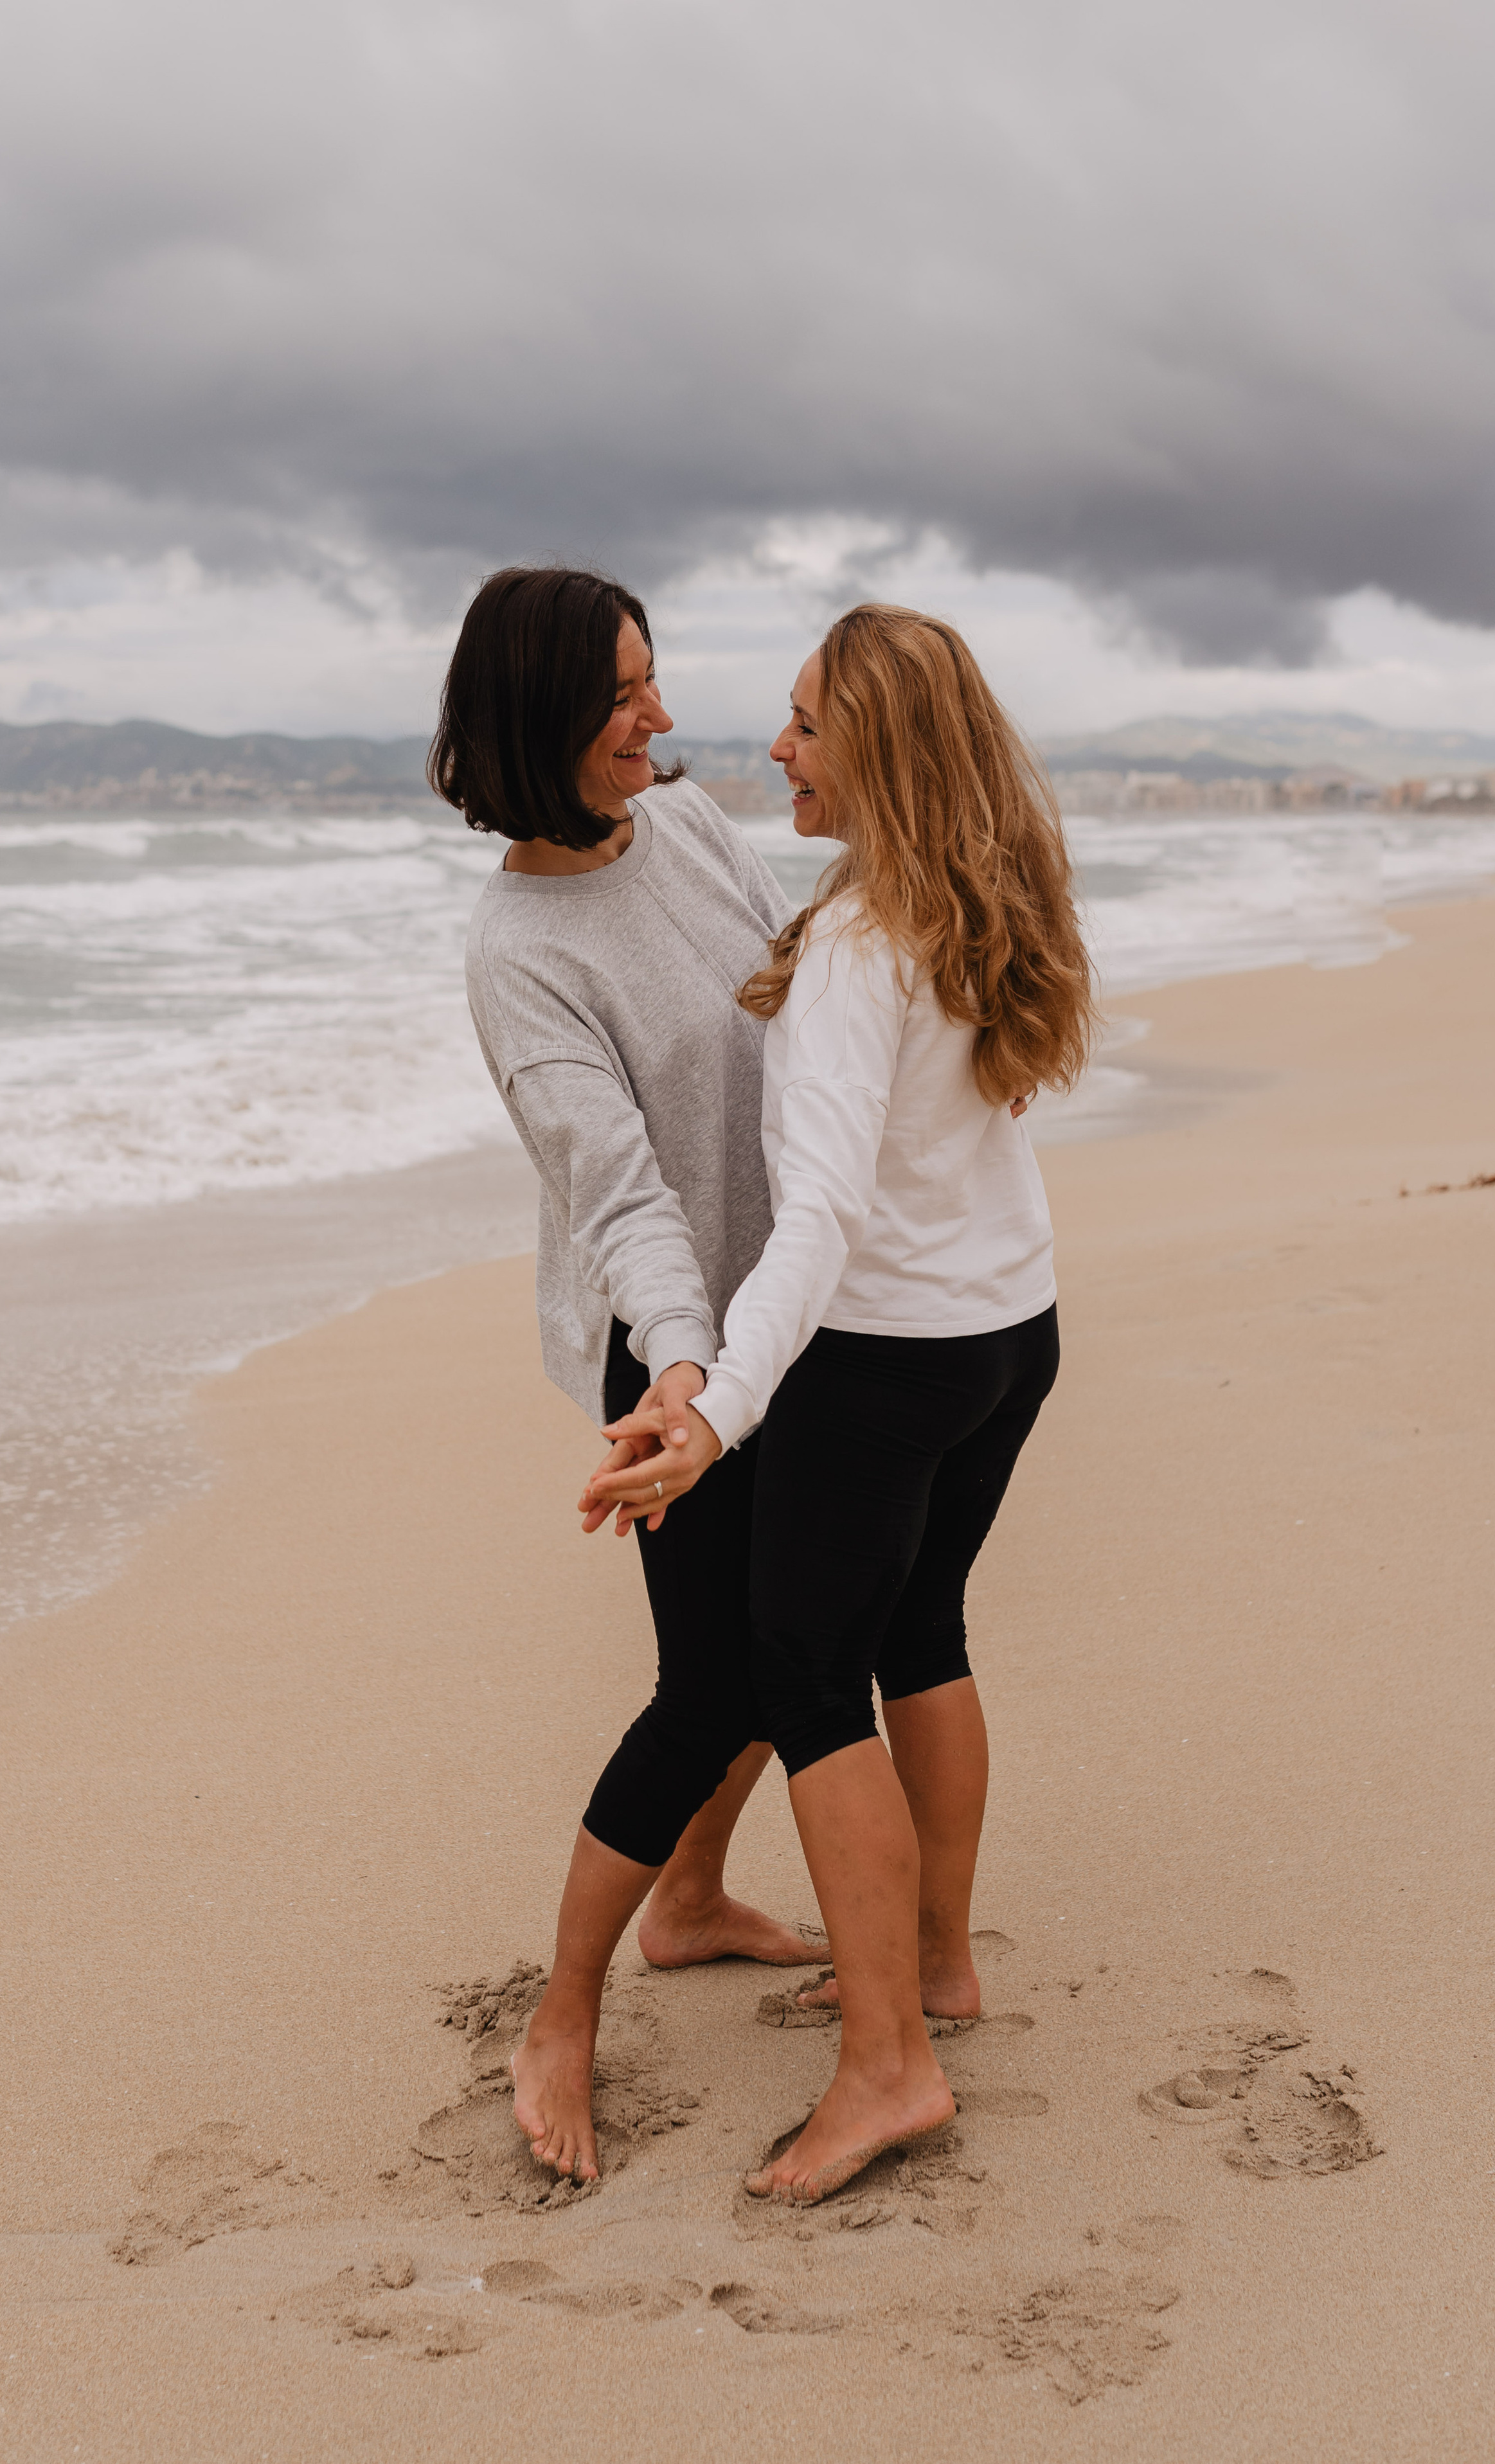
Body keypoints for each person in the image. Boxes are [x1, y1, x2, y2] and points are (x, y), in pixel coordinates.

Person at [586, 603, 1097, 2202]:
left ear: (871, 747)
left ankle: (886, 2069)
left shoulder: (862, 951)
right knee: (919, 1632)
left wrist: (720, 1409)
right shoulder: (982, 883)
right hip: (1009, 1332)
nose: (774, 747)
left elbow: (813, 1221)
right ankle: (935, 1965)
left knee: (808, 1689)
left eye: (804, 723)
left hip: (883, 1366)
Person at [435, 565, 822, 2188]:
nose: (656, 719)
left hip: (790, 1308)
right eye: (618, 695)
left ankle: (691, 1899)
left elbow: (796, 948)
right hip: (668, 1349)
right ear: (537, 717)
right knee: (713, 1688)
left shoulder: (682, 819)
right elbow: (622, 1201)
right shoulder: (520, 956)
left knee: (790, 1641)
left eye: (653, 681)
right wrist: (682, 1372)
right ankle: (562, 2012)